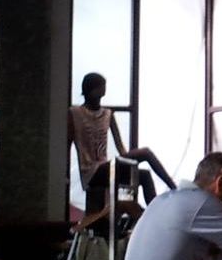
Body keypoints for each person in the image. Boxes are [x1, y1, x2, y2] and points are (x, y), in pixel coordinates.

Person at [67, 73, 160, 216]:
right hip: (91, 171)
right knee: (145, 153)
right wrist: (65, 175)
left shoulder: (107, 114)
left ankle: (153, 214)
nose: (103, 90)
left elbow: (121, 148)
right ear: (91, 89)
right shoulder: (75, 113)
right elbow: (67, 144)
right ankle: (173, 188)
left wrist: (128, 162)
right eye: (100, 87)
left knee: (144, 175)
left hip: (107, 168)